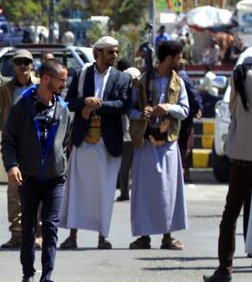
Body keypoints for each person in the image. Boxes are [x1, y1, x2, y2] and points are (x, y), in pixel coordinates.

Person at [1, 60, 71, 282]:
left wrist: (60, 162)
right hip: (29, 177)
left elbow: (66, 141)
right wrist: (12, 166)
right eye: (61, 78)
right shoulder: (22, 107)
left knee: (50, 227)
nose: (64, 83)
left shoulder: (62, 109)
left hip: (55, 178)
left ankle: (47, 278)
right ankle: (28, 273)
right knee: (29, 227)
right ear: (47, 79)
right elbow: (8, 140)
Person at [59, 36, 131, 250]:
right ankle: (72, 236)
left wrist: (97, 105)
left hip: (107, 142)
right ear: (97, 54)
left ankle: (102, 236)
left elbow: (123, 105)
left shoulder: (122, 78)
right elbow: (69, 102)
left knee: (105, 191)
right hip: (83, 140)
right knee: (77, 189)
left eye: (116, 52)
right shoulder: (82, 75)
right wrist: (84, 102)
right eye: (110, 52)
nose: (114, 56)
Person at [127, 40, 189, 250]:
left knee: (168, 191)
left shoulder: (178, 82)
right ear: (169, 58)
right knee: (144, 191)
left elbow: (185, 110)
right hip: (145, 142)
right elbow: (131, 109)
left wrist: (168, 108)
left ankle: (167, 236)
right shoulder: (143, 80)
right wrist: (141, 113)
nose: (181, 61)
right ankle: (144, 236)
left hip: (168, 143)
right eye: (179, 57)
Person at [204, 59, 252, 282]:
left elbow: (232, 109)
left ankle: (225, 268)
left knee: (231, 213)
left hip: (243, 156)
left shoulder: (241, 74)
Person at [0, 49, 39, 248]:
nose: (23, 66)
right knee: (13, 192)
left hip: (37, 145)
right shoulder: (6, 88)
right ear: (13, 65)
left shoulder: (40, 86)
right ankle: (16, 232)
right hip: (14, 144)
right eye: (18, 62)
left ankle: (37, 233)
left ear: (32, 65)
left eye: (26, 62)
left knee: (37, 190)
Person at [117, 61, 141, 202]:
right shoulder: (138, 75)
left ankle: (124, 192)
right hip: (139, 129)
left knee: (125, 165)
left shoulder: (125, 78)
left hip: (128, 131)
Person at [177, 57, 203, 183]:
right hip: (185, 116)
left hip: (177, 115)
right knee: (186, 144)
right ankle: (186, 173)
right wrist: (198, 108)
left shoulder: (177, 77)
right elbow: (194, 94)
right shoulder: (184, 78)